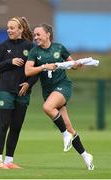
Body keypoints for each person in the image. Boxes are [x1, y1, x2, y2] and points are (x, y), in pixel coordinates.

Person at [25, 23, 94, 170]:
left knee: (47, 107)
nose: (35, 37)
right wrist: (44, 66)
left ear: (48, 34)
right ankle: (85, 155)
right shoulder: (34, 52)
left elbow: (72, 64)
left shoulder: (59, 48)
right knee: (69, 127)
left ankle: (64, 135)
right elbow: (28, 71)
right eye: (34, 35)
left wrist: (77, 64)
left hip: (63, 86)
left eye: (38, 34)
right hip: (48, 91)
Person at [0, 16, 37, 169]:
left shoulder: (30, 47)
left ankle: (9, 161)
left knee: (16, 126)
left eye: (12, 28)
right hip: (4, 91)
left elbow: (37, 71)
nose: (9, 30)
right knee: (3, 124)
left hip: (22, 93)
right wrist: (10, 62)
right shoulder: (2, 46)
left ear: (21, 29)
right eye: (8, 27)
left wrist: (28, 84)